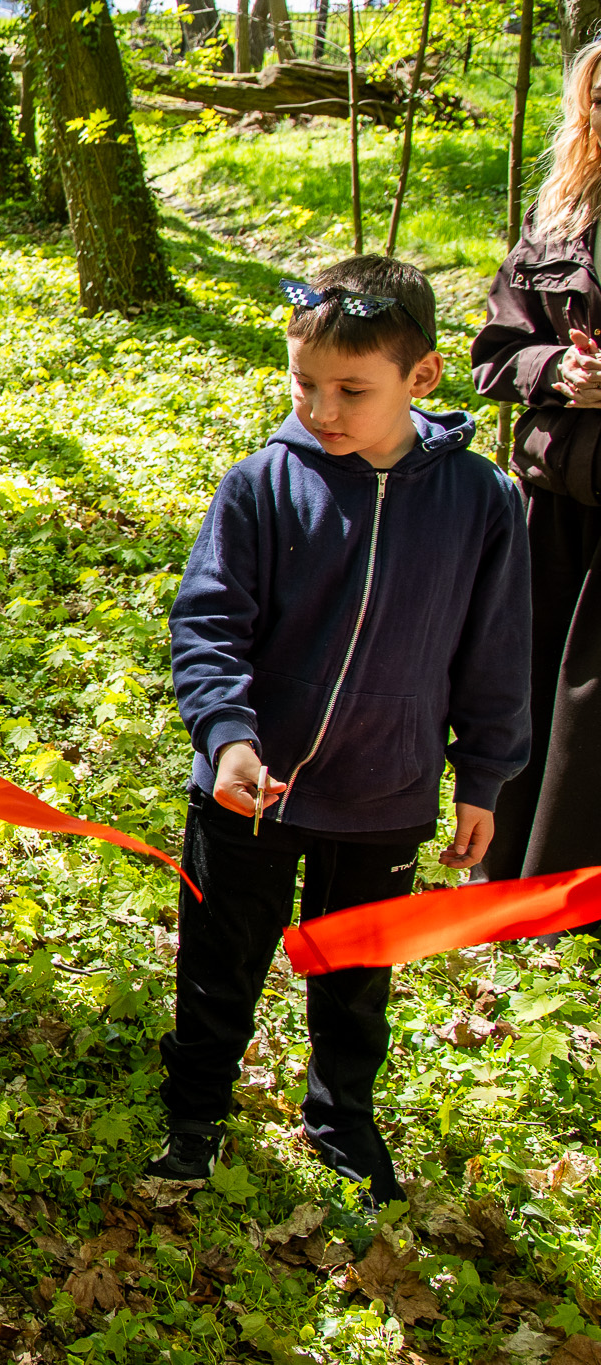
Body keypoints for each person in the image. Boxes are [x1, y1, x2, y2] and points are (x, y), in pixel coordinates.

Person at [160, 256, 531, 1206]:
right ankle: (195, 1108)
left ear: (423, 376)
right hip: (251, 787)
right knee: (221, 957)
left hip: (385, 794)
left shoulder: (481, 501)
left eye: (352, 390)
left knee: (357, 973)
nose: (322, 409)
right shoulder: (260, 485)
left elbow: (495, 653)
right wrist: (228, 735)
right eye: (304, 383)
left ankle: (341, 1117)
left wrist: (483, 779)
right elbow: (209, 623)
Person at [470, 36, 601, 896]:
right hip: (552, 495)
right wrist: (559, 371)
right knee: (526, 678)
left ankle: (576, 891)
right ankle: (507, 875)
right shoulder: (557, 219)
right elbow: (494, 354)